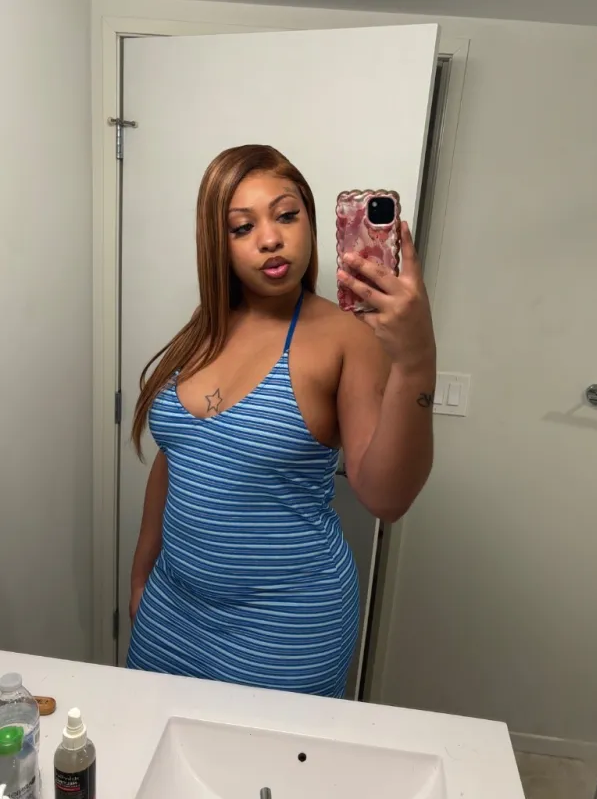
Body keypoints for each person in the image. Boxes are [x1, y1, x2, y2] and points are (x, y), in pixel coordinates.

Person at [126, 144, 436, 698]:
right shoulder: (205, 326)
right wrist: (141, 577)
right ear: (217, 243)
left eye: (286, 216)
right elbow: (176, 460)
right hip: (170, 609)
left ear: (310, 223)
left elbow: (387, 498)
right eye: (242, 227)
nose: (270, 238)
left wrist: (415, 360)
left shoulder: (344, 336)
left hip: (286, 629)